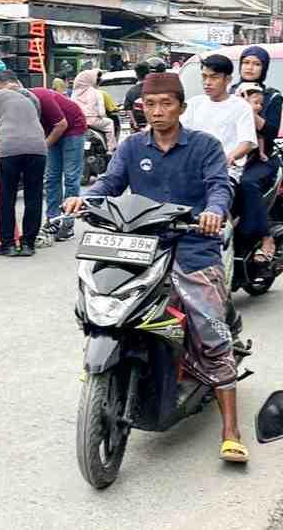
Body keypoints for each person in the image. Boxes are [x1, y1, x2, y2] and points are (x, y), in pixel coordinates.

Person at [64, 71, 248, 464]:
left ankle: (230, 429)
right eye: (151, 105)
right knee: (103, 301)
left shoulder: (204, 146)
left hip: (193, 247)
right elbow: (110, 184)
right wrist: (85, 199)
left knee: (210, 330)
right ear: (141, 108)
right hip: (141, 246)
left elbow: (220, 186)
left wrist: (215, 211)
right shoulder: (131, 147)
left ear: (181, 107)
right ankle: (106, 368)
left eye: (166, 104)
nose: (158, 111)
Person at [0, 73, 48, 257]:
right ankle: (28, 244)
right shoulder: (32, 96)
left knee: (6, 197)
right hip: (37, 148)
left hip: (9, 149)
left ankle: (8, 245)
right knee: (33, 196)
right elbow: (33, 122)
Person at [231, 46, 283, 261]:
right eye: (246, 62)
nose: (250, 67)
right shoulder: (228, 92)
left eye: (256, 63)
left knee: (246, 183)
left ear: (264, 68)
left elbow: (271, 131)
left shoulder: (271, 96)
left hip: (259, 159)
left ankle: (265, 236)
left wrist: (247, 109)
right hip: (229, 155)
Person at [181, 55, 256, 182]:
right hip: (192, 169)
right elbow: (178, 132)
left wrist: (229, 157)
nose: (207, 82)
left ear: (228, 79)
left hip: (224, 172)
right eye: (204, 77)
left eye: (214, 77)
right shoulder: (193, 104)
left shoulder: (241, 107)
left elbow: (247, 142)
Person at [29, 84, 87, 241]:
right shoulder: (19, 104)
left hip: (72, 128)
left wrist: (43, 146)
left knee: (70, 177)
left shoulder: (42, 96)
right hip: (51, 130)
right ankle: (53, 219)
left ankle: (67, 224)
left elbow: (62, 125)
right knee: (52, 176)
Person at [71, 70, 116, 150]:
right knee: (110, 123)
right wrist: (102, 117)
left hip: (78, 121)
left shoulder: (74, 93)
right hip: (93, 121)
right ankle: (111, 148)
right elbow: (101, 113)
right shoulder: (96, 93)